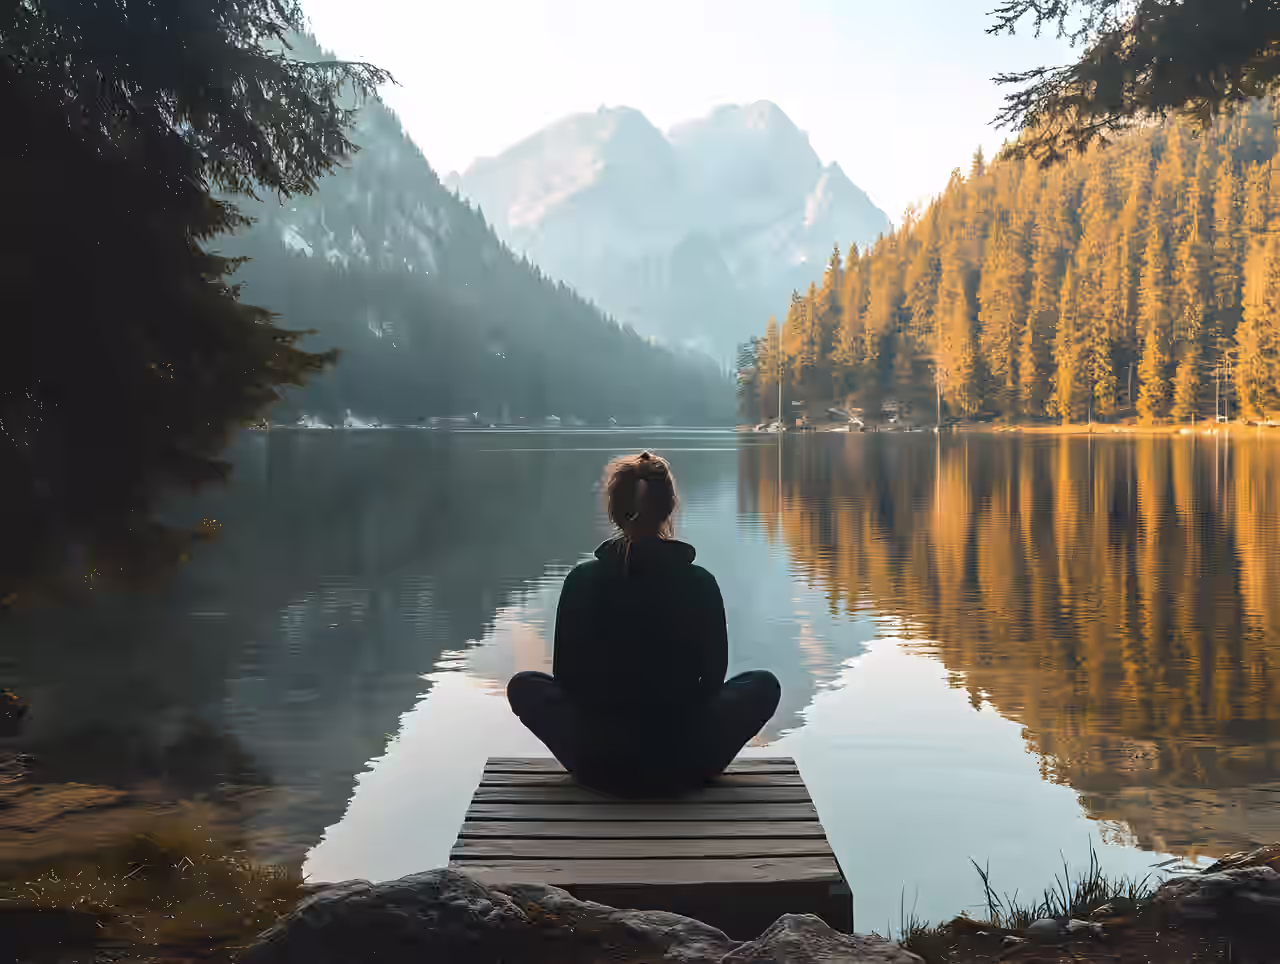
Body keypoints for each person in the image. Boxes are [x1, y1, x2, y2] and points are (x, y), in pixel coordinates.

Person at [506, 451, 781, 797]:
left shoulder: (581, 580)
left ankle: (602, 767)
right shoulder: (699, 582)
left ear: (614, 512)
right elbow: (712, 682)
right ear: (668, 510)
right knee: (762, 684)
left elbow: (567, 679)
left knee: (525, 685)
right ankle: (687, 766)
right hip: (683, 761)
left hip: (599, 762)